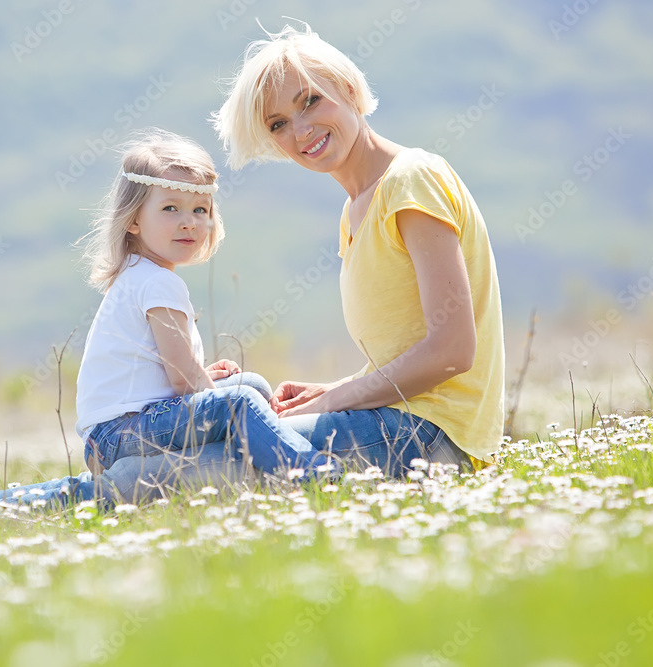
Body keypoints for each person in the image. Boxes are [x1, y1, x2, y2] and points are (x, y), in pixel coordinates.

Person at [0, 129, 333, 551]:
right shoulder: (159, 282)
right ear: (133, 221)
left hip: (117, 430)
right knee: (241, 397)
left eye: (200, 210)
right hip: (127, 433)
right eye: (171, 208)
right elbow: (183, 381)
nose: (189, 222)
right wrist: (210, 384)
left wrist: (208, 381)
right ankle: (316, 480)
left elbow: (178, 378)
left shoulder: (141, 277)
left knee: (250, 385)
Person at [210, 22, 505, 474]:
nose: (301, 130)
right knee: (222, 442)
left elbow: (452, 351)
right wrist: (331, 390)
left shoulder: (411, 178)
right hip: (402, 421)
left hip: (431, 436)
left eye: (310, 101)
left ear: (347, 89)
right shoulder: (354, 211)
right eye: (279, 124)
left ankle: (67, 501)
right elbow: (404, 354)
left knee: (225, 459)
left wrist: (334, 401)